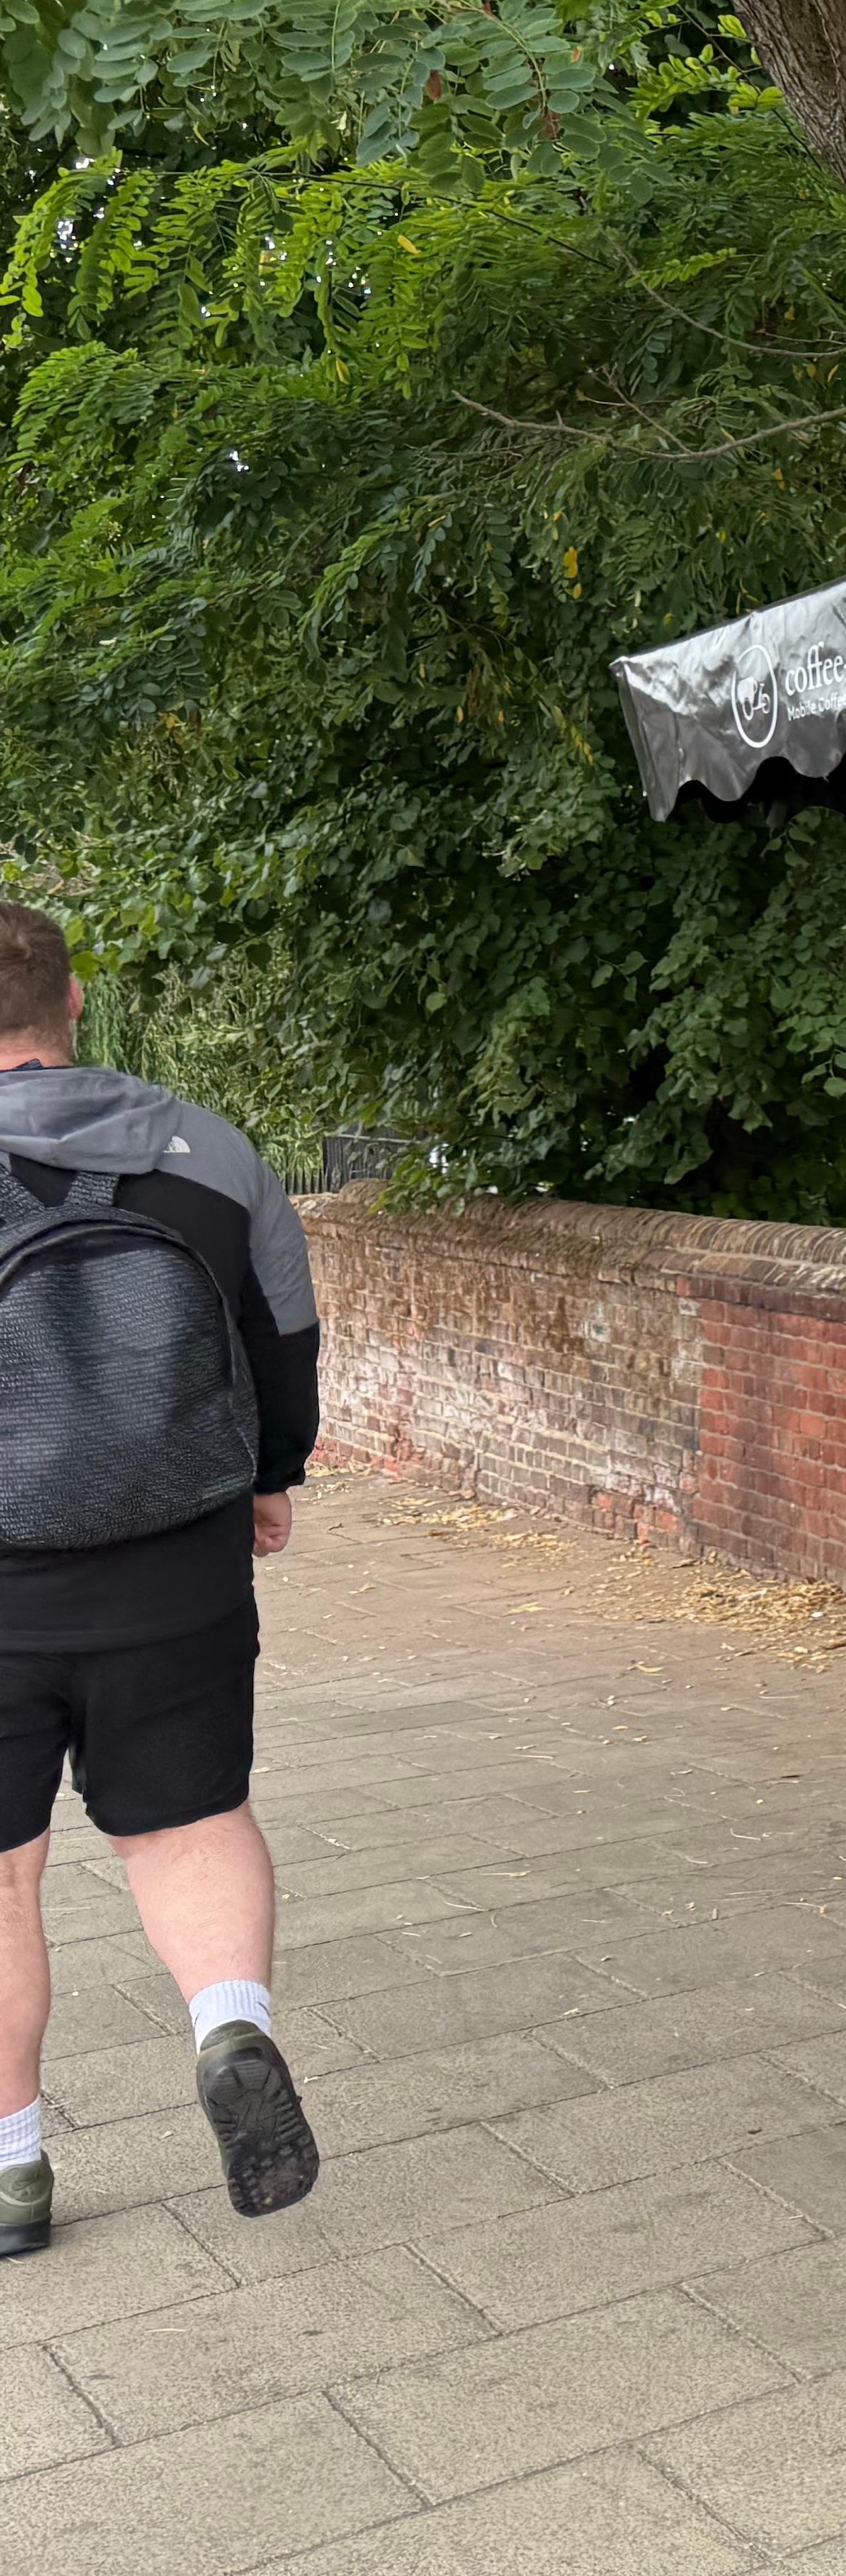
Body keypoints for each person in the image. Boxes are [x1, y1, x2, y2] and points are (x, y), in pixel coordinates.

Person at [0, 904, 323, 2256]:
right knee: (187, 1825)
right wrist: (268, 1479)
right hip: (176, 1555)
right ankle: (227, 2022)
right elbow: (284, 1342)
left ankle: (12, 2173)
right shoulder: (210, 1147)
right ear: (72, 998)